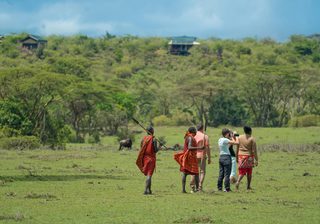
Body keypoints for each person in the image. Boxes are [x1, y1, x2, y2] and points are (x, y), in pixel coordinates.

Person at [174, 127, 204, 193]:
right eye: (195, 131)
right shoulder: (190, 137)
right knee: (196, 173)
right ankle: (197, 189)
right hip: (190, 157)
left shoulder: (188, 137)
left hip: (187, 157)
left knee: (185, 173)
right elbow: (190, 147)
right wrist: (200, 147)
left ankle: (183, 189)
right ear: (193, 131)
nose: (196, 132)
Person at [136, 126, 159, 195]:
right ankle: (146, 190)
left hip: (145, 158)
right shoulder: (153, 139)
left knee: (149, 175)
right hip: (151, 159)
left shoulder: (144, 139)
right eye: (153, 130)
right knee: (149, 175)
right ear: (152, 131)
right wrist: (160, 146)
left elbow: (141, 147)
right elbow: (155, 150)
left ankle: (149, 190)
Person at [235, 126, 258, 191]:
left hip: (240, 156)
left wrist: (236, 156)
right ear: (250, 131)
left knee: (241, 171)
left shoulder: (239, 137)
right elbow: (254, 151)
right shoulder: (252, 139)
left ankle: (238, 182)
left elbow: (237, 148)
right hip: (249, 157)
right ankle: (247, 186)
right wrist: (256, 159)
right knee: (249, 172)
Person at [190, 124, 211, 192]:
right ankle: (200, 186)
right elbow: (207, 147)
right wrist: (209, 157)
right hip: (202, 155)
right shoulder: (205, 136)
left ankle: (192, 187)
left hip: (194, 155)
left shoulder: (193, 135)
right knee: (202, 171)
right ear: (203, 128)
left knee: (193, 171)